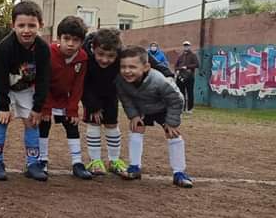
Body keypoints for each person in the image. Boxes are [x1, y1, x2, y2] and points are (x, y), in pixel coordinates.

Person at [0, 1, 51, 181]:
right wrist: (3, 105)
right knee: (1, 120)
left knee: (32, 121)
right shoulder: (4, 47)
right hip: (4, 88)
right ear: (13, 26)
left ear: (40, 25)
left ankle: (32, 163)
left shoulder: (42, 49)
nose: (26, 30)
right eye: (21, 25)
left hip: (26, 87)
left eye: (32, 25)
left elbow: (43, 79)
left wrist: (38, 107)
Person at [116, 45, 193, 188]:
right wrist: (133, 116)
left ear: (146, 67)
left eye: (132, 67)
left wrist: (171, 122)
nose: (127, 71)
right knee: (136, 128)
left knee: (173, 134)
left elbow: (177, 99)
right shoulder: (120, 81)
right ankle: (134, 168)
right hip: (142, 108)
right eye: (123, 67)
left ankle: (179, 173)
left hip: (163, 108)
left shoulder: (159, 80)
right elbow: (125, 98)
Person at [38, 15, 91, 180]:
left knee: (72, 124)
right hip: (46, 95)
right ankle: (42, 160)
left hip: (65, 98)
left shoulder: (82, 58)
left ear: (81, 42)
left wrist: (73, 108)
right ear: (58, 38)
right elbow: (42, 81)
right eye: (66, 38)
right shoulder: (48, 53)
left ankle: (77, 162)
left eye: (75, 40)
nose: (70, 43)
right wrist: (45, 107)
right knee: (44, 124)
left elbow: (78, 85)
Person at [81, 28, 129, 178]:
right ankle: (95, 161)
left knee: (111, 125)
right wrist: (92, 106)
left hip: (110, 94)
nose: (104, 60)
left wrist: (165, 72)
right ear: (93, 48)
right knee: (94, 123)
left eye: (110, 56)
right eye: (100, 54)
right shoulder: (85, 55)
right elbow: (82, 84)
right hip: (90, 93)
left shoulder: (123, 54)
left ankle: (114, 160)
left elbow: (144, 58)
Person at [175, 40, 199, 114]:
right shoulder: (180, 56)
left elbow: (197, 64)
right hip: (181, 77)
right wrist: (178, 69)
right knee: (181, 93)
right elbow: (176, 66)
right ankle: (182, 108)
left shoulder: (193, 55)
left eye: (187, 45)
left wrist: (187, 67)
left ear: (189, 46)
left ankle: (190, 109)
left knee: (190, 93)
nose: (186, 47)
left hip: (190, 77)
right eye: (185, 45)